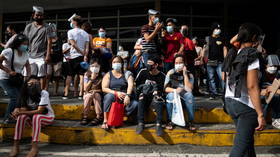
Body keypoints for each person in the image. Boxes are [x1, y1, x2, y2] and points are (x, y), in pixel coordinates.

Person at [223, 23, 266, 157]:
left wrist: (242, 33)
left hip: (230, 102)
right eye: (258, 38)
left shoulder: (233, 52)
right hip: (245, 106)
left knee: (247, 144)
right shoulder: (251, 54)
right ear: (254, 38)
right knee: (240, 148)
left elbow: (225, 78)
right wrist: (260, 114)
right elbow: (252, 86)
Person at [9, 76, 55, 157]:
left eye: (36, 83)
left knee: (36, 116)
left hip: (47, 117)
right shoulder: (24, 94)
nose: (34, 85)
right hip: (32, 120)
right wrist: (16, 113)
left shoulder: (44, 93)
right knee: (21, 117)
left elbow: (40, 111)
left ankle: (34, 147)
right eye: (31, 83)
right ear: (26, 85)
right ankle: (16, 145)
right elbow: (23, 110)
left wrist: (21, 112)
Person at [0, 34, 30, 124]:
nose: (25, 46)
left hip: (17, 78)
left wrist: (28, 77)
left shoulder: (25, 53)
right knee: (15, 97)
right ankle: (7, 118)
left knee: (21, 97)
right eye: (23, 44)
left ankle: (15, 117)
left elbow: (28, 66)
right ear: (18, 43)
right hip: (4, 78)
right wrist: (8, 71)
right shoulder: (9, 51)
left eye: (27, 44)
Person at [101, 56, 138, 130]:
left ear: (122, 63)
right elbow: (104, 88)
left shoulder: (127, 73)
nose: (116, 64)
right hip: (113, 96)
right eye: (114, 62)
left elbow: (130, 85)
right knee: (109, 97)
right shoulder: (108, 74)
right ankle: (105, 121)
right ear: (111, 64)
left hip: (125, 97)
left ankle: (118, 117)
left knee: (135, 104)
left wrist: (128, 96)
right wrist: (116, 93)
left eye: (118, 62)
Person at [23, 6, 55, 90]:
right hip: (29, 55)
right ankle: (27, 92)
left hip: (41, 55)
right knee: (27, 74)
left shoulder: (47, 27)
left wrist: (48, 55)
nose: (39, 17)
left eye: (41, 15)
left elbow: (49, 41)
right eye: (37, 15)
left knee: (42, 75)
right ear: (33, 15)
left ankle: (41, 92)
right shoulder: (29, 27)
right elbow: (24, 40)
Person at [135, 54, 166, 136]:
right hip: (144, 96)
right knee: (141, 97)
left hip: (154, 98)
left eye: (150, 64)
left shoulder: (162, 76)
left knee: (158, 99)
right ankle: (141, 123)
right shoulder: (143, 72)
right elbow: (136, 85)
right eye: (147, 63)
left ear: (156, 65)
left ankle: (158, 124)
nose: (148, 65)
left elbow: (163, 90)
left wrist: (157, 93)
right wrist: (142, 89)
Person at [164, 54, 196, 131]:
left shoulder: (189, 74)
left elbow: (189, 89)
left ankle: (191, 121)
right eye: (176, 63)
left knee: (189, 95)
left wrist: (185, 74)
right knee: (171, 95)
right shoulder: (170, 73)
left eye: (180, 62)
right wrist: (175, 90)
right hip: (174, 97)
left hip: (184, 99)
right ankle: (169, 121)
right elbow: (165, 88)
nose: (178, 64)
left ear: (184, 63)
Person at [63, 14, 89, 99]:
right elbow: (87, 47)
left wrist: (81, 52)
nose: (71, 22)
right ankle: (81, 94)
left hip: (73, 56)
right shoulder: (85, 33)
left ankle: (66, 93)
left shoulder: (70, 32)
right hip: (82, 57)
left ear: (74, 22)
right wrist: (84, 54)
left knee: (69, 75)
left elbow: (73, 44)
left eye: (72, 21)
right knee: (81, 75)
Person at [205, 23, 228, 99]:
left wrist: (226, 60)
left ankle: (224, 93)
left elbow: (224, 49)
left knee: (222, 78)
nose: (218, 30)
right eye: (216, 28)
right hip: (210, 61)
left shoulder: (222, 39)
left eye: (219, 29)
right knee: (211, 78)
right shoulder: (208, 38)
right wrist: (204, 59)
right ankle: (213, 93)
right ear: (213, 29)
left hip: (220, 61)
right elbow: (205, 49)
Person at [81, 58, 103, 125]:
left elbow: (104, 89)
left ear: (99, 67)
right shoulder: (86, 75)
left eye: (96, 66)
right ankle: (85, 116)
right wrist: (91, 79)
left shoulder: (103, 75)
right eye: (92, 66)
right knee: (88, 96)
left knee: (96, 95)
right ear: (90, 67)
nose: (94, 68)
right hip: (88, 94)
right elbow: (85, 89)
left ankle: (99, 116)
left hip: (99, 94)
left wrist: (95, 91)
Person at [260, 54, 280, 129]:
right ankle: (262, 120)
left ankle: (276, 119)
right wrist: (264, 91)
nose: (273, 68)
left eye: (275, 66)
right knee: (264, 98)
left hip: (275, 96)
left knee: (276, 97)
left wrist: (275, 90)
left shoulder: (278, 74)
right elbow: (253, 90)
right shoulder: (260, 74)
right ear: (266, 65)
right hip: (263, 96)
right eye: (271, 66)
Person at [46, 23, 63, 96]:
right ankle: (45, 90)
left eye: (53, 29)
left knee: (56, 76)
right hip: (49, 60)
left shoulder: (59, 39)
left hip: (57, 60)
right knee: (48, 75)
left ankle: (55, 91)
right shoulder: (46, 38)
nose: (52, 30)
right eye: (51, 29)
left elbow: (60, 48)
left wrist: (53, 50)